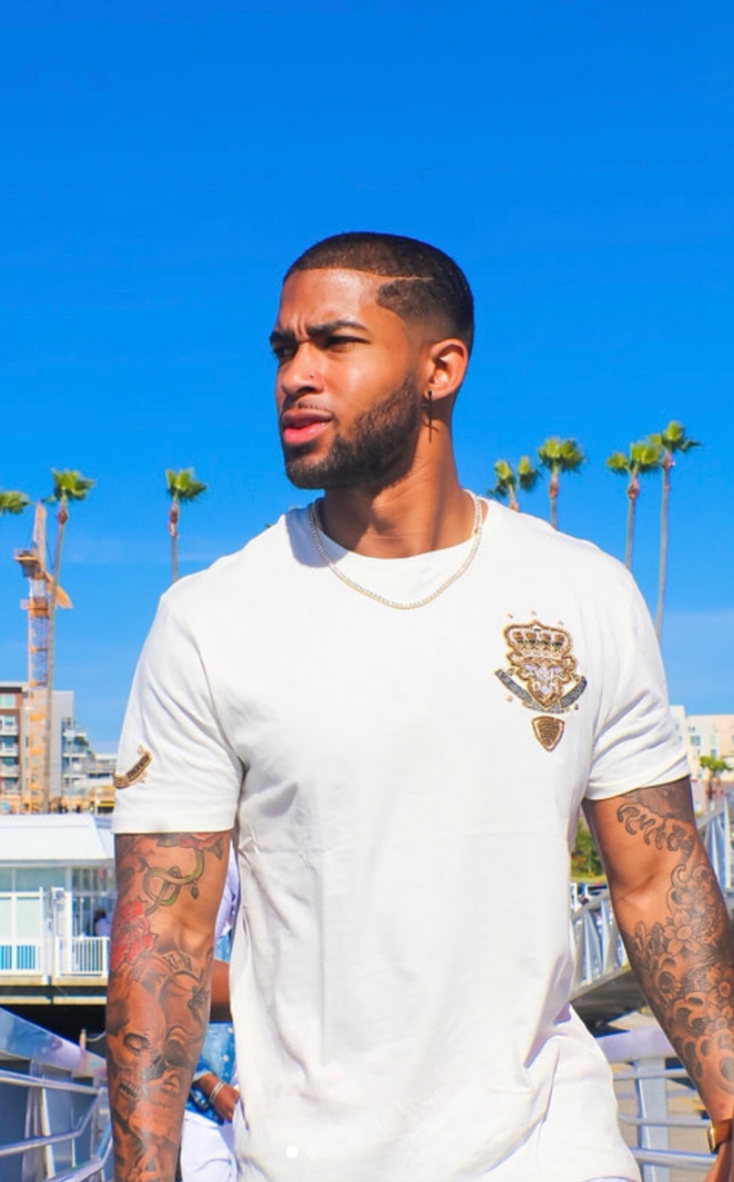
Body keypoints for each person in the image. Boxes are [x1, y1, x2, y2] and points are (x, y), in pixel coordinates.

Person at [107, 232, 734, 1182]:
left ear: (441, 369)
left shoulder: (585, 594)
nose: (295, 376)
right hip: (308, 1161)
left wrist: (728, 1104)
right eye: (283, 349)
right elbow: (168, 934)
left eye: (335, 342)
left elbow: (658, 873)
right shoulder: (212, 620)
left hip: (551, 1149)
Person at [179, 845, 240, 1182]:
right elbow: (173, 1024)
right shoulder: (198, 948)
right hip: (203, 1109)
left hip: (263, 1108)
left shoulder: (260, 942)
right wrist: (211, 1086)